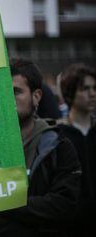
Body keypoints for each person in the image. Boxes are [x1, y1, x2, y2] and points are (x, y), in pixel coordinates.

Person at [0, 58, 82, 236]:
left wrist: (0, 203)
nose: (7, 98)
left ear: (36, 96)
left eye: (15, 91)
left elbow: (64, 206)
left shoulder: (59, 146)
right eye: (1, 91)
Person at [58, 63, 96, 237]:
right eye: (84, 89)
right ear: (70, 93)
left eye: (94, 88)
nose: (92, 94)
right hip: (70, 224)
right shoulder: (58, 135)